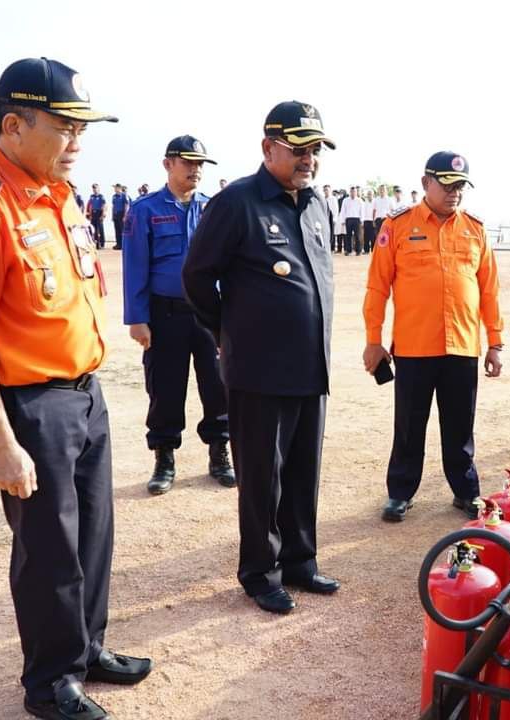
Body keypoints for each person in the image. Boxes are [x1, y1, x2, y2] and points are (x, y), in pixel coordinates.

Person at [0, 57, 151, 720]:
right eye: (64, 126)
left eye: (82, 127)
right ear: (13, 124)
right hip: (28, 406)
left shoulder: (58, 196)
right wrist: (0, 443)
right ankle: (50, 683)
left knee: (92, 535)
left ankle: (86, 650)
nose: (77, 140)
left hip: (83, 392)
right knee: (49, 549)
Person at [183, 100, 339, 615]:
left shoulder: (316, 204)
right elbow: (198, 277)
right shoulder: (237, 203)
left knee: (301, 471)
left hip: (309, 366)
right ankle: (260, 572)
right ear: (268, 147)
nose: (308, 159)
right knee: (262, 478)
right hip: (259, 369)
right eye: (298, 149)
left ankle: (300, 561)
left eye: (315, 149)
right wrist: (227, 330)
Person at [362, 152, 504, 522]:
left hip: (462, 345)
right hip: (413, 346)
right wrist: (374, 340)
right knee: (409, 425)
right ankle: (400, 492)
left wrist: (496, 342)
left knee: (460, 427)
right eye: (447, 184)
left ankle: (465, 490)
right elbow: (377, 287)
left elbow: (489, 291)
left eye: (460, 186)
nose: (455, 192)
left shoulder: (475, 229)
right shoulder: (398, 225)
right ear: (426, 183)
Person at [122, 135, 234, 494]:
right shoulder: (145, 210)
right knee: (165, 387)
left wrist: (230, 317)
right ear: (168, 163)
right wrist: (137, 318)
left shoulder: (213, 208)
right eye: (188, 162)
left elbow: (229, 265)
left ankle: (220, 453)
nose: (195, 169)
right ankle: (164, 457)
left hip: (208, 314)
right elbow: (135, 266)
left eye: (200, 164)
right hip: (164, 313)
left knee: (217, 385)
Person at [340, 185, 362, 256]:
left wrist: (362, 220)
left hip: (357, 219)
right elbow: (343, 211)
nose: (353, 193)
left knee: (357, 236)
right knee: (348, 236)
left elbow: (362, 211)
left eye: (354, 191)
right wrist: (342, 220)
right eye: (351, 191)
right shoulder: (345, 200)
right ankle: (348, 250)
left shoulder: (359, 200)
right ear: (350, 192)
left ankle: (358, 250)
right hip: (348, 219)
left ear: (356, 192)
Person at [111, 183, 130, 250]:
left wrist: (125, 215)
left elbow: (126, 205)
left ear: (119, 188)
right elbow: (113, 206)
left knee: (122, 230)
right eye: (114, 188)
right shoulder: (114, 196)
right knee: (117, 230)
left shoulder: (124, 195)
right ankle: (118, 244)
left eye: (116, 188)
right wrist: (112, 215)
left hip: (122, 213)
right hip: (116, 214)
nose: (115, 189)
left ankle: (123, 244)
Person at [87, 183, 107, 248]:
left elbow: (104, 205)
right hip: (93, 213)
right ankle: (96, 243)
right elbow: (90, 205)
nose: (95, 189)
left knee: (100, 229)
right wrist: (90, 214)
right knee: (93, 229)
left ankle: (102, 243)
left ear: (98, 189)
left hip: (99, 213)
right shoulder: (91, 196)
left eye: (96, 188)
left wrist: (103, 214)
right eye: (93, 188)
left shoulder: (101, 196)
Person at [321, 184, 336, 253]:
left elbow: (336, 209)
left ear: (330, 190)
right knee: (325, 232)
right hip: (324, 217)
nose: (326, 191)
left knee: (332, 233)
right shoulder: (322, 199)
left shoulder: (333, 199)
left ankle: (332, 248)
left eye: (327, 190)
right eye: (324, 190)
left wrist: (334, 219)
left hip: (332, 217)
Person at [361, 189, 375, 254]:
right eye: (368, 194)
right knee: (366, 236)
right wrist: (362, 221)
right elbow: (363, 212)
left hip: (373, 221)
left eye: (371, 194)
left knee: (373, 236)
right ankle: (366, 250)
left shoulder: (375, 202)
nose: (369, 195)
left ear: (373, 195)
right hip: (366, 220)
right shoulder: (364, 203)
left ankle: (373, 250)